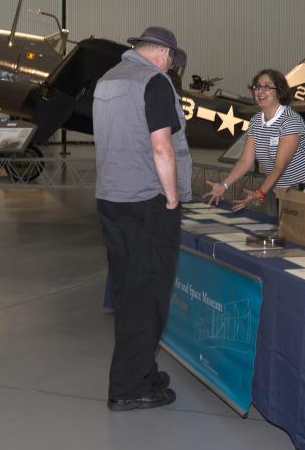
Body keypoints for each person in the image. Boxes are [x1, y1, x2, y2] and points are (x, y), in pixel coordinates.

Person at [93, 26, 192, 412]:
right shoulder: (154, 82)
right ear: (164, 53)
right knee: (148, 296)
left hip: (111, 198)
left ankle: (142, 370)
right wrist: (171, 197)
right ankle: (130, 386)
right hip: (147, 202)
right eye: (172, 60)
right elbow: (161, 146)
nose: (171, 67)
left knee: (127, 291)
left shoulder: (108, 80)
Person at [204, 69, 305, 210]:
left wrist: (260, 192)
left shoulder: (290, 121)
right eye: (257, 86)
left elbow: (279, 166)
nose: (260, 91)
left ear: (279, 91)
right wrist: (224, 185)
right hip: (284, 194)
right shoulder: (256, 121)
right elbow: (245, 160)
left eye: (267, 87)